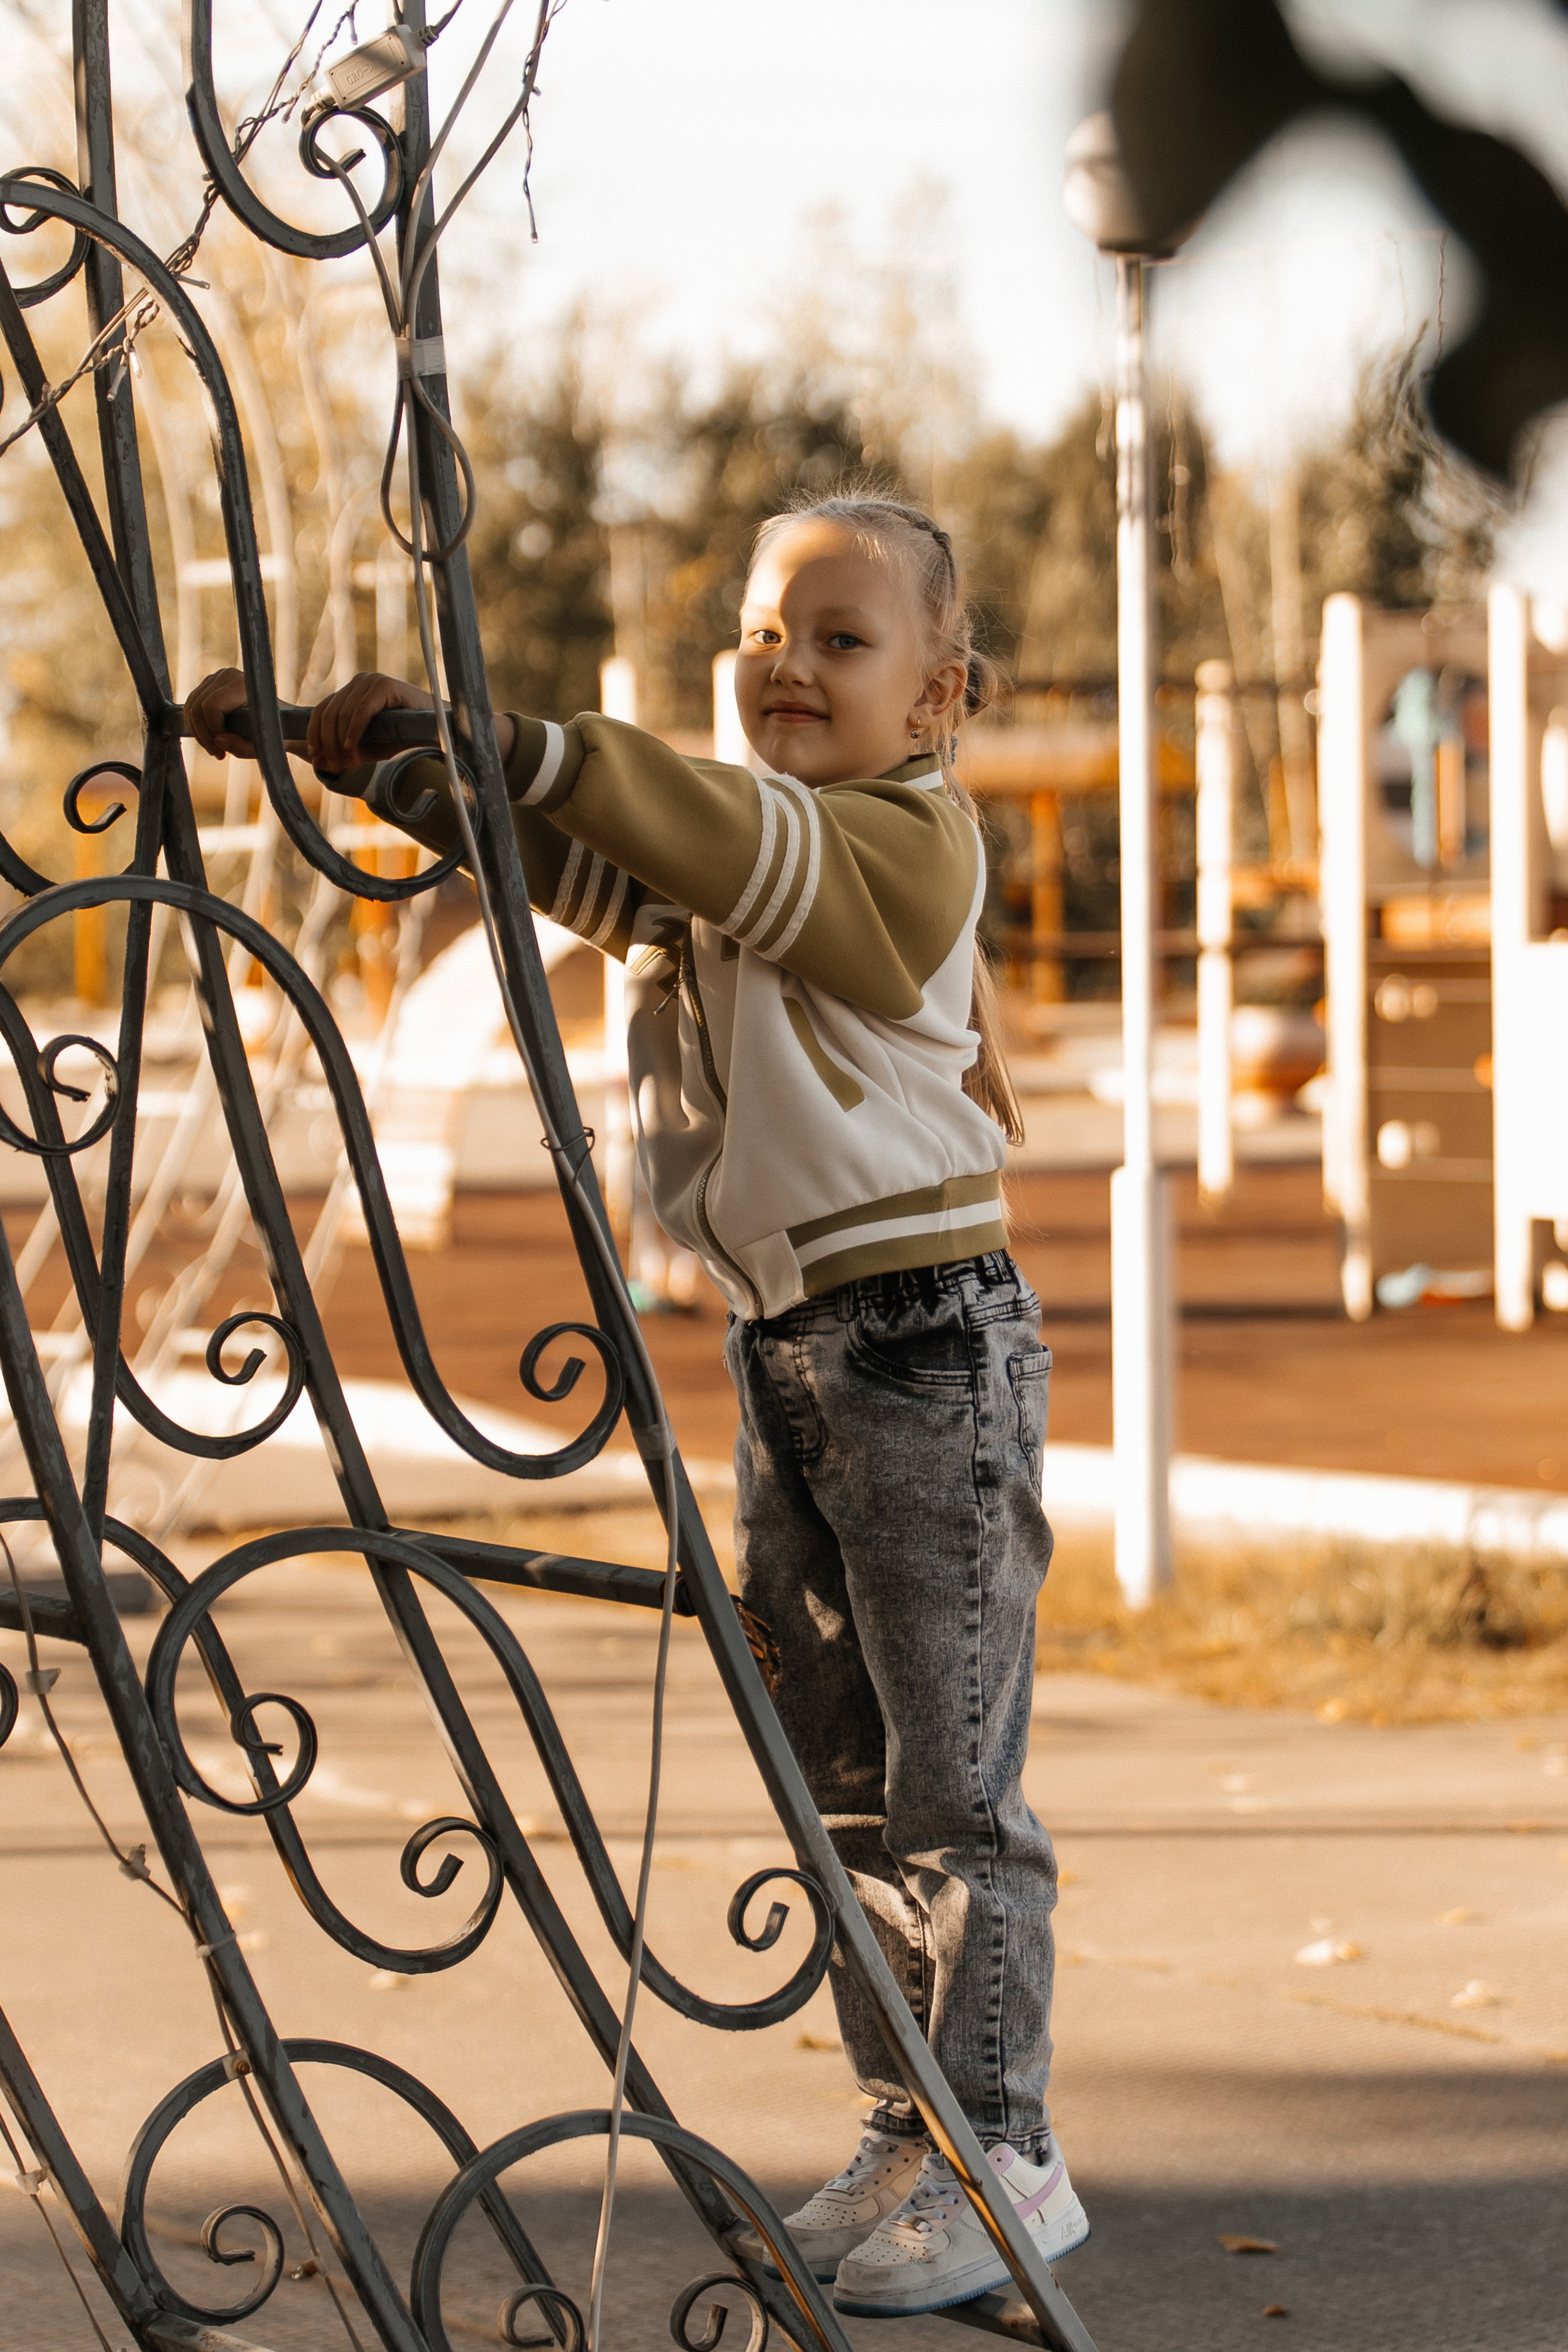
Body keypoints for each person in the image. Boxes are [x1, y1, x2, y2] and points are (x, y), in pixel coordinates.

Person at [185, 492, 1087, 2317]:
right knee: (843, 1790)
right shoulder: (749, 853)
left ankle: (1009, 2157)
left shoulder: (905, 850)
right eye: (764, 632)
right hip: (803, 1359)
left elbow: (688, 822)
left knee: (954, 1799)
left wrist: (520, 740)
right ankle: (908, 2130)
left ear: (941, 695)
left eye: (841, 637)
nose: (787, 665)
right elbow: (579, 866)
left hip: (925, 1348)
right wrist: (392, 765)